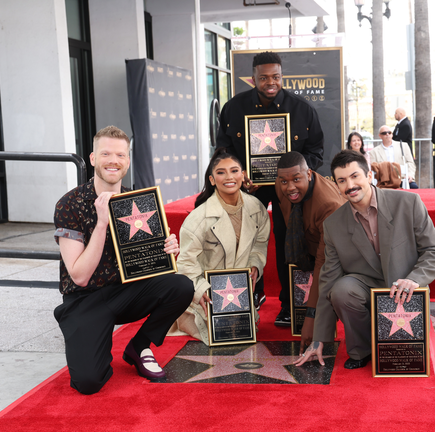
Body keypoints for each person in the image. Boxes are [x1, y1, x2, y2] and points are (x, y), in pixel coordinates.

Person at [53, 126, 194, 394]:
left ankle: (139, 346)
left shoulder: (137, 200)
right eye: (106, 153)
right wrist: (102, 223)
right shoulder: (69, 204)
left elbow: (147, 263)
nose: (113, 160)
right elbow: (79, 276)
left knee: (180, 285)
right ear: (93, 158)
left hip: (125, 292)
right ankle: (90, 338)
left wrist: (166, 252)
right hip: (86, 299)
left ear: (128, 161)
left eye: (120, 155)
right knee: (88, 382)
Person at [295, 150, 435, 369]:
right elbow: (328, 279)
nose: (350, 185)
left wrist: (414, 279)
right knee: (340, 289)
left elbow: (434, 250)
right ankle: (363, 349)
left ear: (368, 176)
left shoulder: (408, 202)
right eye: (342, 180)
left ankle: (391, 342)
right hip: (365, 286)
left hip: (405, 287)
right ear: (337, 185)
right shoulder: (333, 224)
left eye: (355, 176)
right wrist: (319, 339)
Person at [216, 50, 325, 327]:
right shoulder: (233, 108)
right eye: (263, 77)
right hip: (248, 188)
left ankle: (289, 304)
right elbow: (223, 150)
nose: (270, 82)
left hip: (289, 191)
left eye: (275, 76)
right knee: (245, 239)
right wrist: (239, 173)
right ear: (253, 78)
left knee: (290, 240)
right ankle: (252, 294)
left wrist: (296, 175)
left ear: (281, 76)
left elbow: (316, 152)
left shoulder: (303, 110)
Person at [169, 148, 270, 344]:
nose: (229, 177)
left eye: (234, 171)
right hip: (207, 296)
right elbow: (185, 264)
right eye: (221, 172)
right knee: (218, 335)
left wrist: (255, 263)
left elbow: (260, 243)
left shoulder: (257, 208)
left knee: (243, 334)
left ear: (243, 175)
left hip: (240, 296)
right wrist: (200, 291)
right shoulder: (198, 218)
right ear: (212, 180)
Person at [275, 151, 346, 353]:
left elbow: (324, 264)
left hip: (343, 254)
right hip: (310, 245)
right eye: (283, 181)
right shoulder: (281, 187)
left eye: (296, 179)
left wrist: (311, 317)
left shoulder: (329, 205)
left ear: (308, 174)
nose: (290, 187)